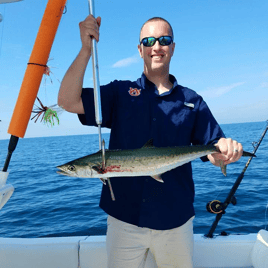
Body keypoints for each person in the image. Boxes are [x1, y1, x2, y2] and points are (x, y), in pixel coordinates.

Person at [58, 15, 243, 268]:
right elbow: (67, 101)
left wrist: (225, 152)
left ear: (173, 48)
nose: (156, 46)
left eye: (164, 40)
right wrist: (85, 49)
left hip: (175, 221)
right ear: (140, 49)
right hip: (124, 220)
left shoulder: (192, 101)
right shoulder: (120, 94)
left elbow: (212, 150)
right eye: (149, 40)